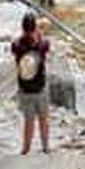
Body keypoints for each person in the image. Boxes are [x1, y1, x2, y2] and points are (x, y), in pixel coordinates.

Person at [11, 10, 51, 154]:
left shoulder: (16, 45)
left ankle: (26, 149)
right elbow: (46, 43)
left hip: (25, 89)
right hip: (40, 87)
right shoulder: (42, 44)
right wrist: (39, 32)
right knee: (44, 118)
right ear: (34, 28)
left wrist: (28, 33)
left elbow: (18, 45)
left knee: (29, 121)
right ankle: (45, 147)